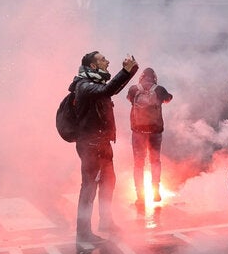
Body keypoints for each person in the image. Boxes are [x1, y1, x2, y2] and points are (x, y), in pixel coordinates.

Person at [70, 51, 138, 243]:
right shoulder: (84, 86)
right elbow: (107, 91)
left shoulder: (95, 84)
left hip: (102, 143)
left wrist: (131, 70)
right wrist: (125, 71)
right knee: (89, 187)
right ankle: (83, 232)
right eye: (102, 60)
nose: (107, 61)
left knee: (108, 183)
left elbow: (109, 89)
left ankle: (106, 221)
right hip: (91, 145)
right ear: (92, 66)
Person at [127, 67, 173, 204]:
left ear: (141, 77)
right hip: (155, 132)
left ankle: (140, 197)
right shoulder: (159, 89)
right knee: (155, 161)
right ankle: (156, 191)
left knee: (138, 164)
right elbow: (169, 99)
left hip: (138, 132)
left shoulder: (134, 89)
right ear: (154, 77)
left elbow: (130, 100)